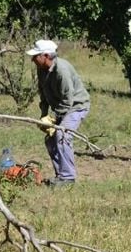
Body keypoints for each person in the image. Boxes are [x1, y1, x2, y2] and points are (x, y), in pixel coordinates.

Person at [27, 39, 90, 186]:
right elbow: (43, 93)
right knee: (50, 140)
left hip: (76, 107)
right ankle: (60, 175)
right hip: (63, 108)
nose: (33, 59)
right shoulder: (41, 68)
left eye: (36, 56)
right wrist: (43, 116)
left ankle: (68, 178)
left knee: (62, 135)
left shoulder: (62, 71)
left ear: (47, 56)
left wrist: (55, 121)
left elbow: (68, 100)